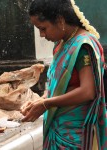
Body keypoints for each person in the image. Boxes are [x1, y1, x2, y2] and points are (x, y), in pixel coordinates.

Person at [21, 0, 107, 149]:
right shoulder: (61, 45)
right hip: (58, 128)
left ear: (60, 20)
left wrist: (46, 104)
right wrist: (40, 100)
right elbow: (60, 85)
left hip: (75, 134)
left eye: (43, 28)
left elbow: (88, 92)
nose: (42, 35)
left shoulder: (82, 46)